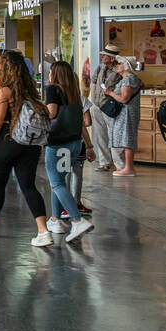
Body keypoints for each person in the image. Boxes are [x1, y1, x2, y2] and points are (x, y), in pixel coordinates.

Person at [0, 50, 51, 245]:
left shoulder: (4, 91)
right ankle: (43, 231)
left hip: (7, 141)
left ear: (5, 68)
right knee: (28, 186)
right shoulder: (30, 90)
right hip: (30, 144)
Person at [42, 61, 95, 243]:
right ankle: (56, 219)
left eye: (50, 72)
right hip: (73, 143)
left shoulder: (52, 90)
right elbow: (80, 122)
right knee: (60, 181)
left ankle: (77, 220)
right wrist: (89, 145)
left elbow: (51, 113)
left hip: (57, 144)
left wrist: (38, 109)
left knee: (56, 182)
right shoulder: (73, 93)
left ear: (55, 74)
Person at [88, 43, 123, 172]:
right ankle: (104, 162)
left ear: (112, 58)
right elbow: (94, 81)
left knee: (113, 134)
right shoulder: (101, 67)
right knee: (100, 135)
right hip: (97, 104)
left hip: (110, 106)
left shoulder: (119, 70)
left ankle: (120, 164)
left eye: (105, 55)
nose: (102, 56)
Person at [105, 56, 142, 177]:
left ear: (126, 66)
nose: (117, 65)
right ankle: (127, 166)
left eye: (119, 63)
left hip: (127, 113)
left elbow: (124, 99)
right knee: (125, 138)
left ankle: (128, 167)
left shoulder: (129, 79)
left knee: (127, 138)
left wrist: (110, 93)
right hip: (125, 113)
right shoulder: (126, 79)